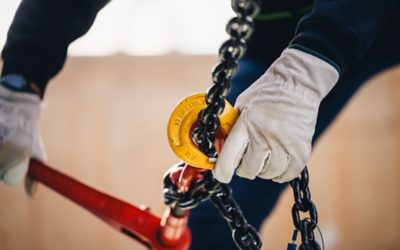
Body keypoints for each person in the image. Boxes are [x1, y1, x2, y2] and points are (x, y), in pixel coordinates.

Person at [0, 0, 399, 249]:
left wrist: (310, 66)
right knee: (212, 223)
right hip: (274, 42)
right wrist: (20, 82)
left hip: (373, 19)